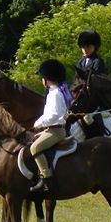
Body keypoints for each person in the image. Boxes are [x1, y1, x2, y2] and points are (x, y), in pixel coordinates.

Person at [30, 59, 72, 193]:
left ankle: (46, 179)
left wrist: (38, 124)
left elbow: (53, 116)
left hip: (56, 131)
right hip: (51, 129)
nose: (41, 80)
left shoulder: (55, 94)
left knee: (35, 148)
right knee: (32, 139)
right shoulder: (55, 92)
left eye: (42, 77)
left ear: (47, 79)